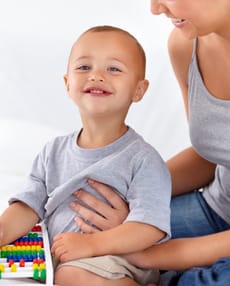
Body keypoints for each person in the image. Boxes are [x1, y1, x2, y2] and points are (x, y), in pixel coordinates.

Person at [66, 0, 230, 285]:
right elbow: (212, 151)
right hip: (214, 210)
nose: (154, 7)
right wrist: (135, 194)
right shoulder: (186, 44)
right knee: (80, 245)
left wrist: (155, 255)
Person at [0, 25, 172, 286]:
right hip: (60, 253)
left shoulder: (143, 160)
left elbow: (149, 227)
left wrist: (92, 244)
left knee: (71, 276)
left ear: (139, 90)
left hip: (114, 255)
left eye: (113, 69)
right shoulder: (53, 151)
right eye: (84, 68)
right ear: (68, 84)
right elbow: (28, 206)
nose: (96, 76)